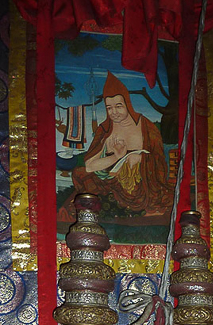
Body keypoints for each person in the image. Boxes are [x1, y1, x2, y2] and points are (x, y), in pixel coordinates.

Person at [72, 71, 173, 216]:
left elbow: (159, 160)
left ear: (127, 104)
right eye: (109, 108)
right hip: (110, 181)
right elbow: (90, 166)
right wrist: (116, 157)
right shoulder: (105, 129)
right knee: (79, 173)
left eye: (118, 106)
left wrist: (140, 160)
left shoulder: (146, 127)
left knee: (163, 196)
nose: (114, 112)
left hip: (142, 184)